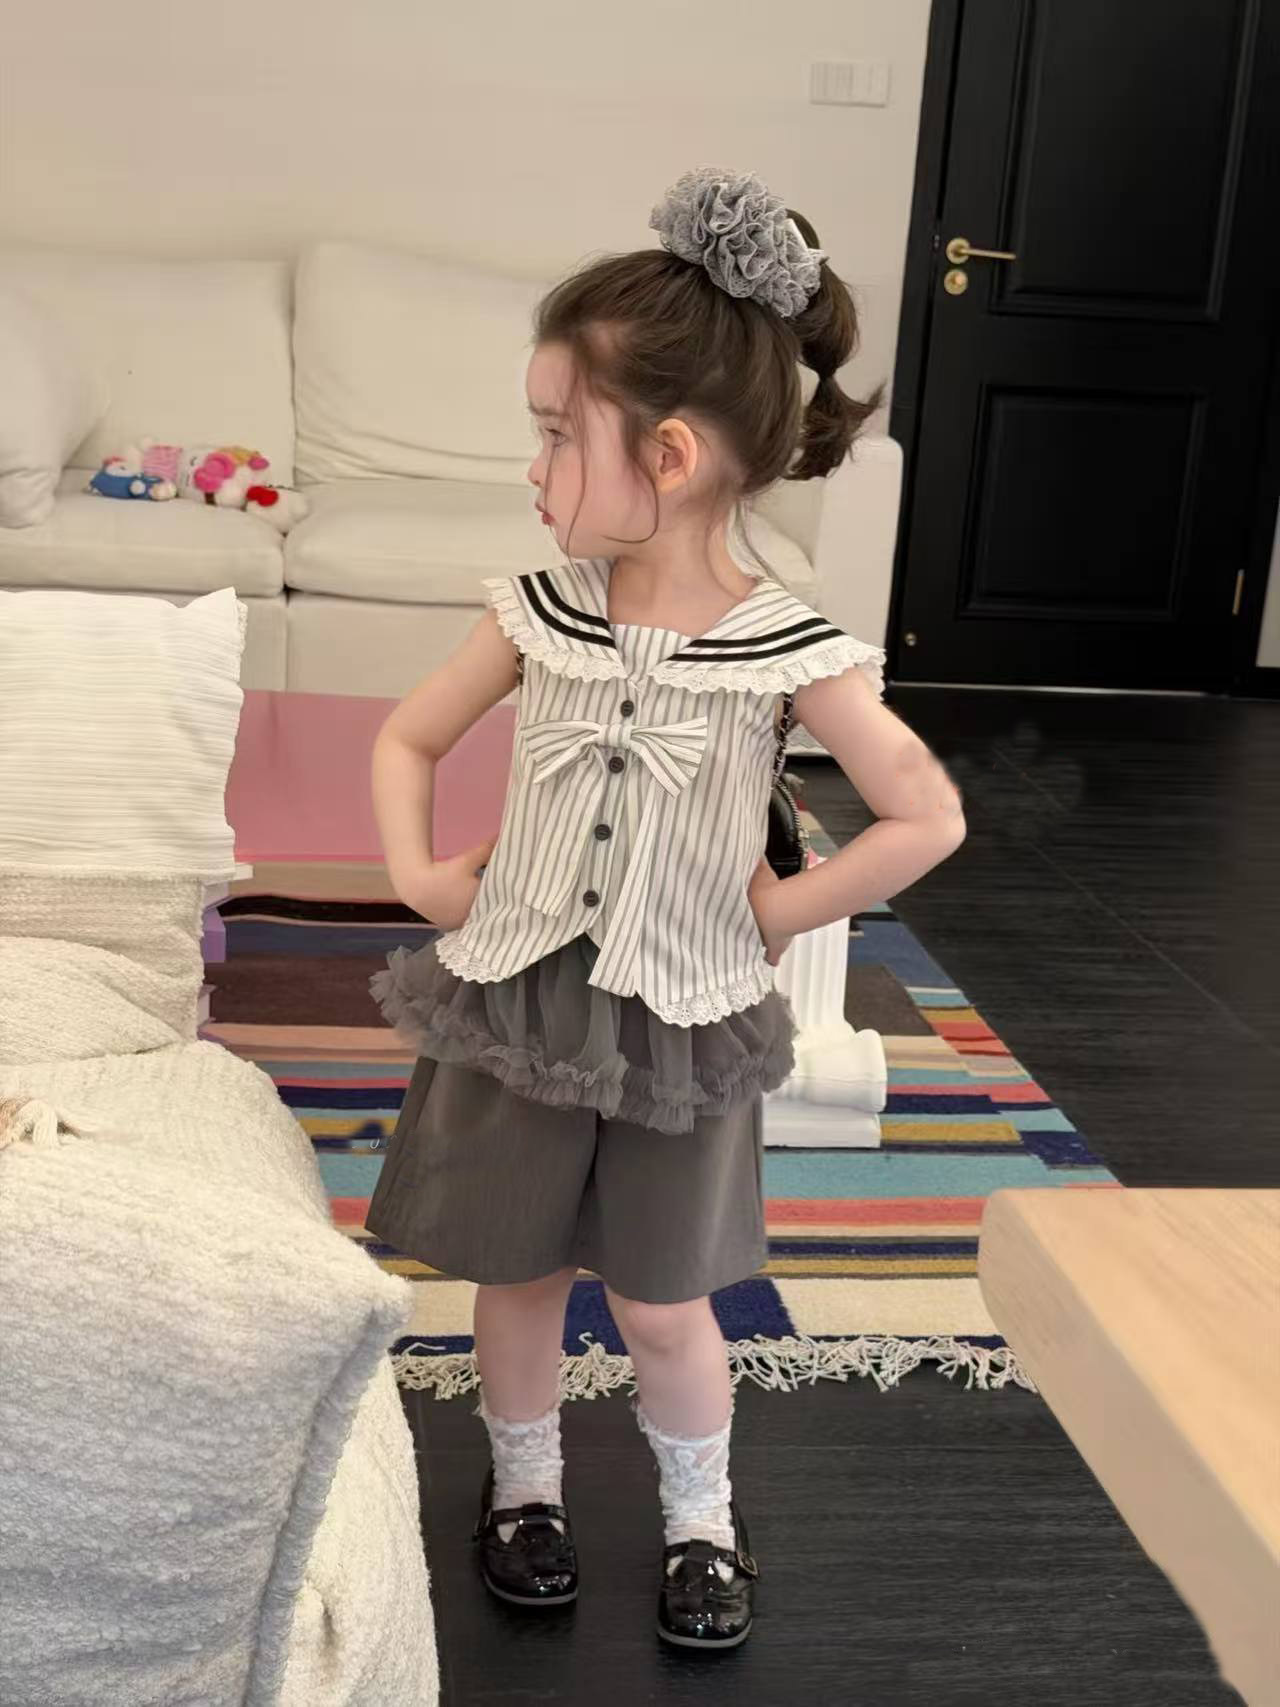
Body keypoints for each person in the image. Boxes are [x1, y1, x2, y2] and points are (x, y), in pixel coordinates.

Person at [365, 167, 966, 1651]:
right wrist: (426, 879)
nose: (534, 467)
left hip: (682, 1019)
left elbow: (927, 814)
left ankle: (701, 1517)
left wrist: (782, 911)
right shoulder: (539, 611)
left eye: (554, 433)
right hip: (519, 1004)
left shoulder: (788, 648)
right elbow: (408, 739)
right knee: (516, 1277)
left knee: (662, 1304)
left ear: (673, 453)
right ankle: (524, 1493)